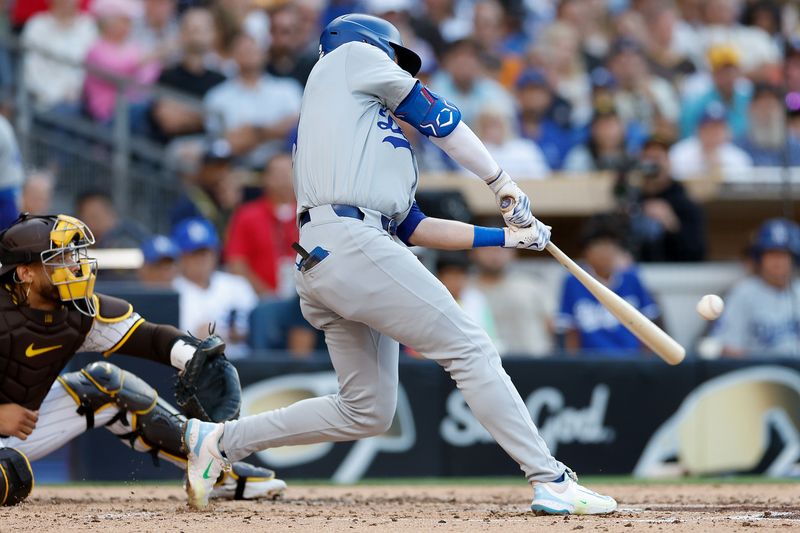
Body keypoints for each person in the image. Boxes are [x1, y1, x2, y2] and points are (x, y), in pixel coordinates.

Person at [183, 14, 617, 515]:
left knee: (365, 409)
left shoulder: (360, 132)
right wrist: (503, 184)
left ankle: (217, 441)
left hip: (334, 253)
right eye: (393, 56)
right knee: (470, 346)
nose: (396, 68)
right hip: (349, 240)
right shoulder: (346, 59)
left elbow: (413, 227)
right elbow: (441, 116)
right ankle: (552, 478)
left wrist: (509, 236)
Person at [0, 213, 285, 506]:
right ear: (25, 273)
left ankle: (218, 471)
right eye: (58, 259)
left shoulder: (78, 314)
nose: (74, 265)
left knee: (105, 385)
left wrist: (192, 359)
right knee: (9, 477)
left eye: (72, 255)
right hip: (6, 428)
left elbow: (149, 338)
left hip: (21, 428)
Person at [556, 217, 660, 354]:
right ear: (585, 250)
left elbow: (650, 328)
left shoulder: (632, 278)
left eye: (611, 244)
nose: (606, 251)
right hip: (590, 365)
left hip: (631, 363)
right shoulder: (573, 282)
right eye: (598, 245)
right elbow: (570, 332)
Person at [204, 33, 303, 169]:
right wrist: (275, 130)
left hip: (284, 167)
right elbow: (225, 143)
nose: (249, 53)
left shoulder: (287, 89)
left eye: (253, 49)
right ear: (233, 56)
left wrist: (256, 132)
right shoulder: (217, 97)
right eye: (243, 50)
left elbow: (298, 125)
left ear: (265, 54)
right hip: (236, 169)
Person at [713, 219, 800, 357]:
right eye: (771, 254)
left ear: (794, 259)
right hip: (757, 374)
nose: (777, 261)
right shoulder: (743, 293)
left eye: (783, 254)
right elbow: (730, 350)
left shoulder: (798, 291)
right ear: (760, 258)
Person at [172, 217, 256, 358]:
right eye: (195, 253)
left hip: (242, 366)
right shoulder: (171, 291)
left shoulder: (238, 286)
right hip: (191, 368)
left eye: (206, 252)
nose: (202, 259)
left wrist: (237, 334)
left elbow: (260, 330)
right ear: (181, 257)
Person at [224, 152, 299, 297]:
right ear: (266, 178)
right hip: (260, 301)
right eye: (277, 172)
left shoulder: (310, 214)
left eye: (288, 171)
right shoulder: (247, 215)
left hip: (307, 302)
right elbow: (236, 262)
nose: (283, 177)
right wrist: (265, 296)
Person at [149, 7, 226, 144]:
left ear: (214, 34)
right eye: (192, 29)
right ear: (182, 34)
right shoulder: (167, 75)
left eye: (203, 29)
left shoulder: (222, 79)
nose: (197, 35)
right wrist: (207, 116)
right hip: (172, 151)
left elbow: (230, 121)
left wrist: (187, 113)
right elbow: (170, 121)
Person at [471, 246, 555, 357]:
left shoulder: (531, 284)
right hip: (483, 364)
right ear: (473, 253)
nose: (494, 254)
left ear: (513, 253)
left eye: (500, 249)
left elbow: (550, 324)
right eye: (487, 249)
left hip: (534, 361)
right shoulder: (463, 288)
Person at [634, 136, 706, 262]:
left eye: (657, 158)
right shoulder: (633, 198)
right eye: (647, 158)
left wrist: (671, 223)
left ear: (668, 162)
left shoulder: (684, 203)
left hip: (672, 272)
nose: (652, 165)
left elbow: (697, 252)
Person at [20, 0, 98, 112]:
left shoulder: (89, 26)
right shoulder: (36, 24)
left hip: (75, 101)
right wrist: (48, 95)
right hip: (39, 100)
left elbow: (90, 67)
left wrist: (73, 92)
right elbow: (29, 67)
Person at [670, 102, 753, 181]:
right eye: (708, 127)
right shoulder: (680, 153)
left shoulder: (738, 158)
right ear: (699, 129)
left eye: (718, 128)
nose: (713, 133)